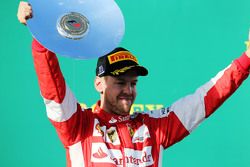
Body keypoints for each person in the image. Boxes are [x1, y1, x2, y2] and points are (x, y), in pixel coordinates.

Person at [17, 1, 250, 167]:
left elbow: (205, 99)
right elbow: (53, 91)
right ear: (99, 83)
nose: (128, 91)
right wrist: (41, 36)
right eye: (120, 82)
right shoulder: (78, 126)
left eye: (133, 83)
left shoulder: (155, 128)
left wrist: (247, 59)